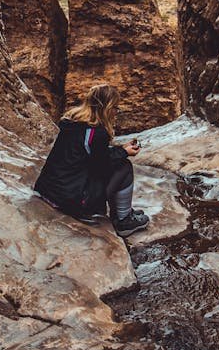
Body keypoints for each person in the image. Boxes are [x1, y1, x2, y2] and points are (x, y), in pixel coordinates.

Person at [34, 83, 150, 238]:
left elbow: (91, 155)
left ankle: (124, 211)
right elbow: (101, 167)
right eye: (115, 107)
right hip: (70, 199)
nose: (116, 112)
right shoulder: (97, 133)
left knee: (118, 160)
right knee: (124, 167)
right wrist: (124, 152)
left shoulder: (71, 122)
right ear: (107, 108)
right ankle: (123, 221)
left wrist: (120, 149)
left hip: (49, 190)